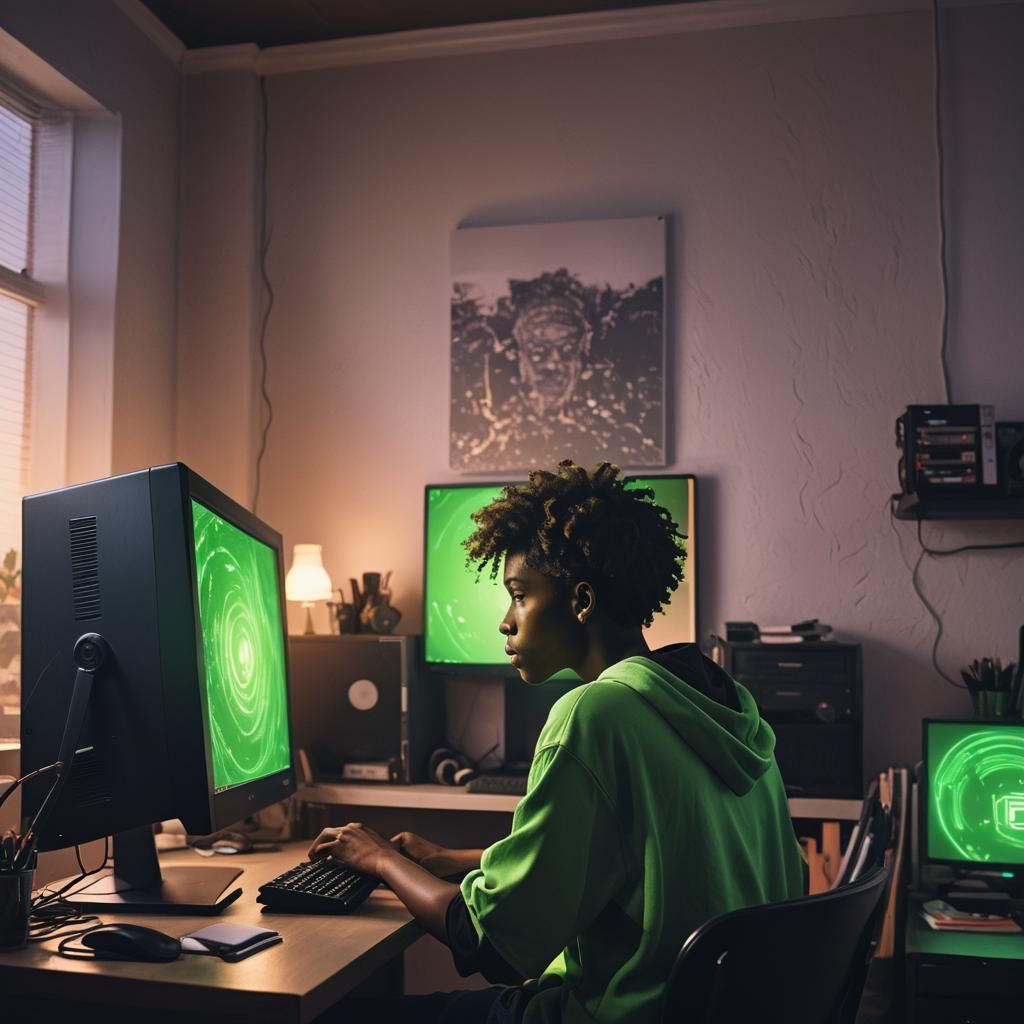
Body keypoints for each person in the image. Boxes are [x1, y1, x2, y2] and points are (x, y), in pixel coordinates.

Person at [309, 461, 806, 1023]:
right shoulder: (726, 707)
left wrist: (377, 860)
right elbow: (653, 859)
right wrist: (454, 859)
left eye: (519, 596)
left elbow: (487, 945)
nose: (506, 621)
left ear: (582, 600)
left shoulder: (595, 715)